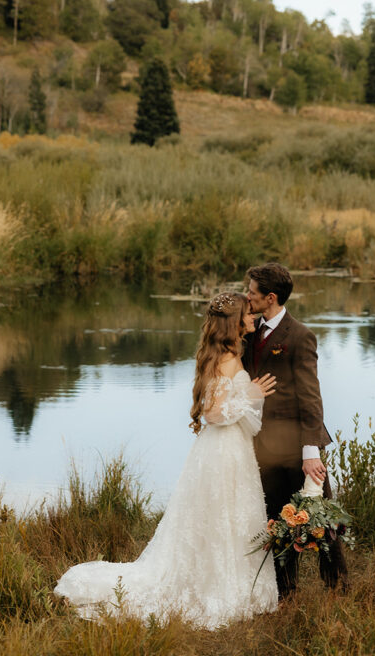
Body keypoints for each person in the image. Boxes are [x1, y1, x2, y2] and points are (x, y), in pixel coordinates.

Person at [54, 292, 279, 629]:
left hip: (229, 447)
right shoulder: (227, 360)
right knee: (222, 513)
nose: (253, 318)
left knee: (227, 514)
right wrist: (249, 395)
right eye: (248, 314)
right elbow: (213, 414)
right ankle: (217, 586)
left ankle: (231, 579)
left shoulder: (225, 355)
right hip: (222, 449)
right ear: (234, 322)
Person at [243, 262, 347, 598]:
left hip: (299, 447)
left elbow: (311, 397)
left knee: (321, 520)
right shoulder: (248, 331)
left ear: (271, 297)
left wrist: (310, 452)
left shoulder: (300, 336)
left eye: (252, 292)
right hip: (263, 446)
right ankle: (285, 594)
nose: (247, 296)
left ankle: (338, 588)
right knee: (276, 520)